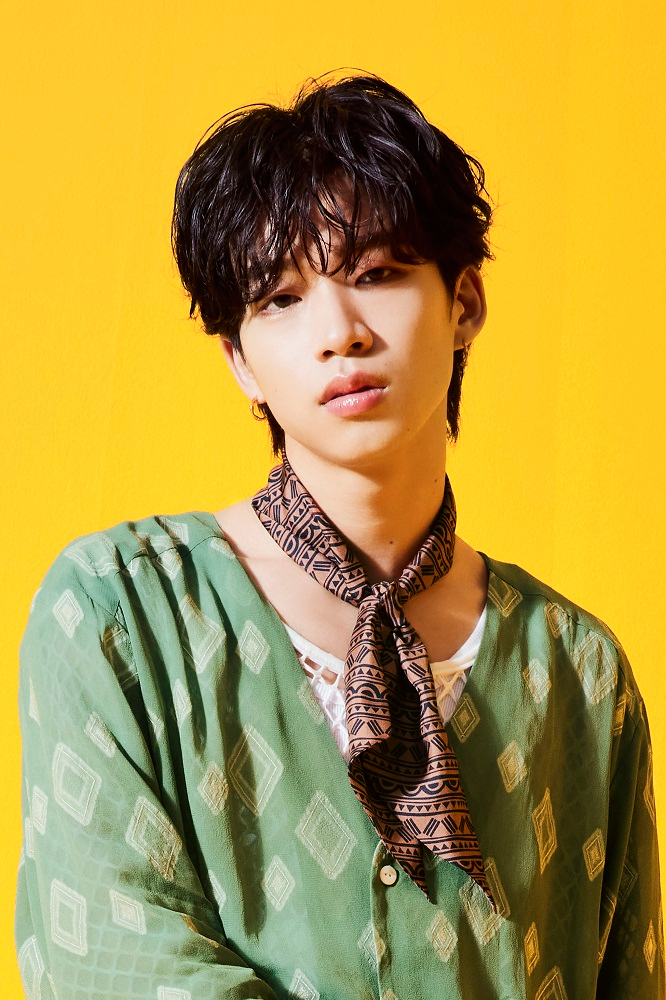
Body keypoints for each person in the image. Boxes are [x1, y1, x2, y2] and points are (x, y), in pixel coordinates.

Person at [15, 72, 664, 1000]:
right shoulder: (120, 617)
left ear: (465, 303)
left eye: (377, 274)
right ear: (240, 361)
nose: (339, 332)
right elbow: (106, 965)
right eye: (279, 298)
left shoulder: (579, 672)